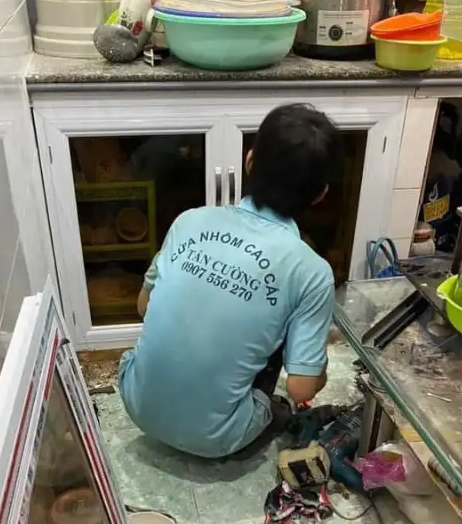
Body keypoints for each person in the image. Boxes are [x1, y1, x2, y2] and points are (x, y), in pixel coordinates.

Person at [118, 103, 343, 459]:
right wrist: (316, 362)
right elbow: (301, 390)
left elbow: (144, 306)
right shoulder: (312, 272)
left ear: (250, 161)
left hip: (136, 404)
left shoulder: (189, 220)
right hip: (217, 440)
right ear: (321, 194)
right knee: (276, 337)